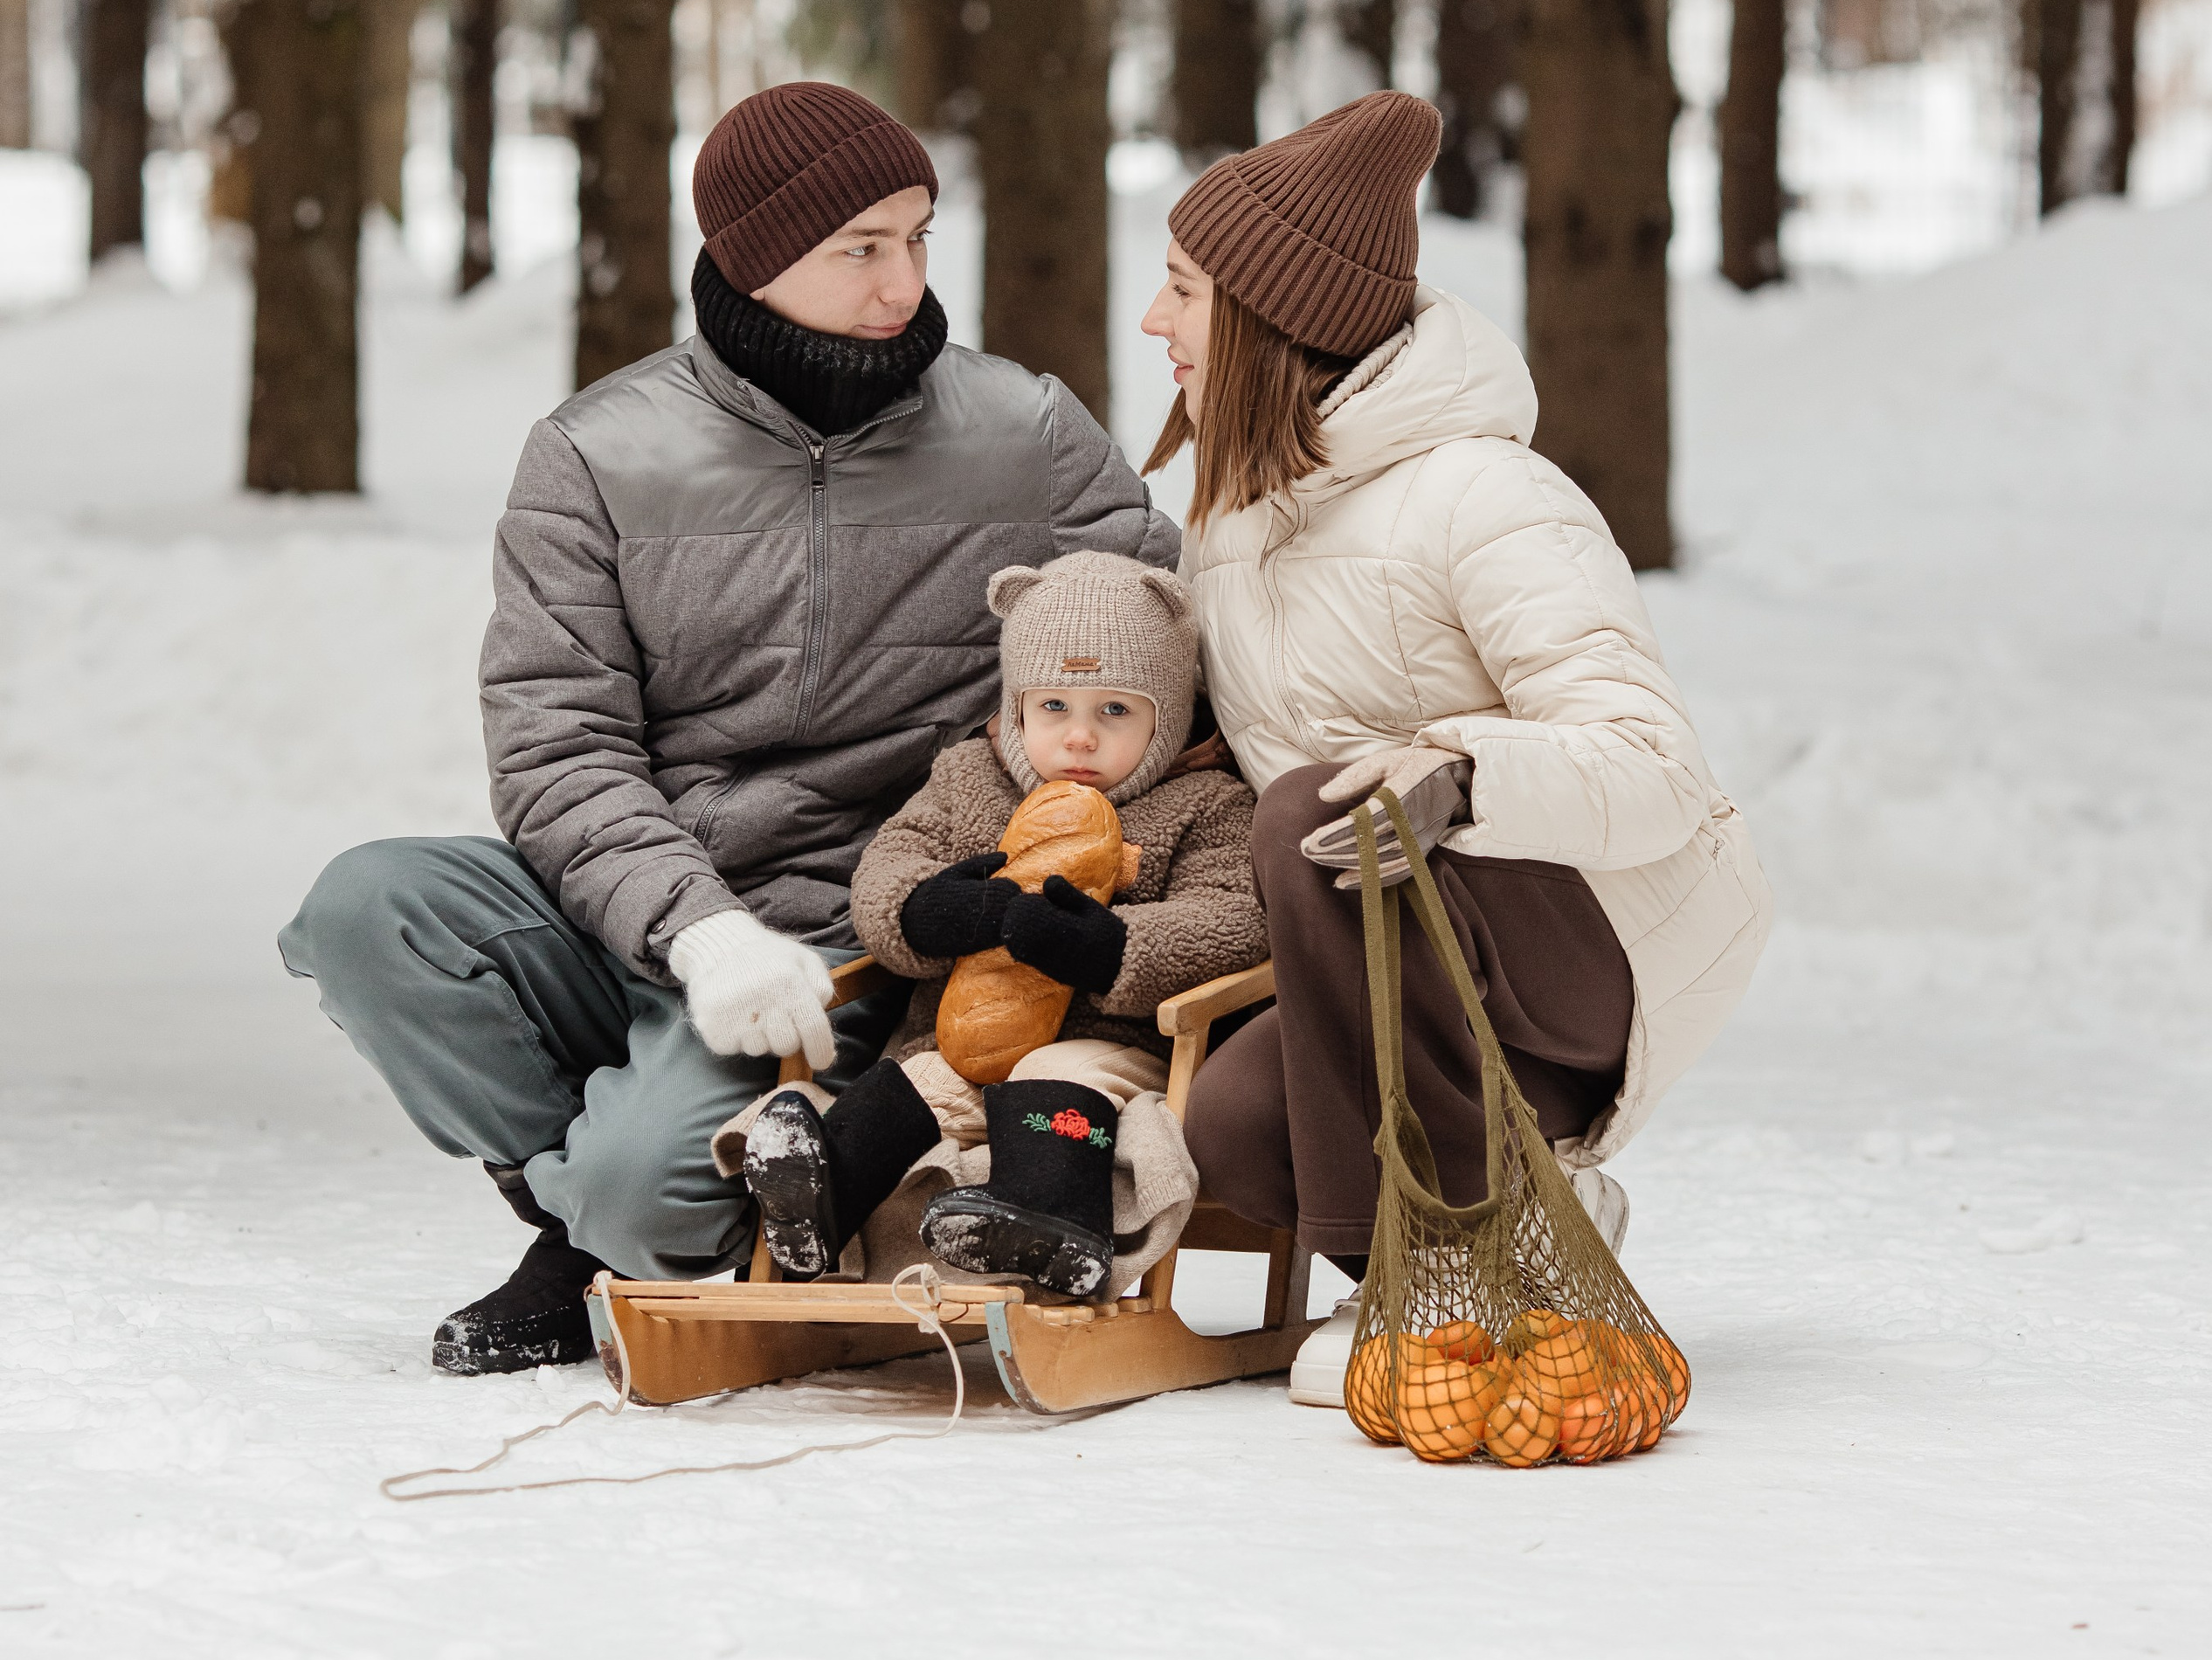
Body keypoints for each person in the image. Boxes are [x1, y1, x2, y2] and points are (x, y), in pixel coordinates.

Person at [281, 82, 1179, 1373]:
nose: (902, 282)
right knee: (368, 905)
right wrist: (697, 930)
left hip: (854, 937)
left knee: (653, 1192)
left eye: (919, 237)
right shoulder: (598, 453)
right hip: (646, 905)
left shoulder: (1021, 436)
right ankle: (582, 1209)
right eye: (860, 248)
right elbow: (556, 741)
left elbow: (1160, 629)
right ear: (754, 260)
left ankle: (609, 1217)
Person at [1138, 88, 1773, 1407]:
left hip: (1594, 936)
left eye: (1183, 292)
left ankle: (1415, 1283)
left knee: (1325, 809)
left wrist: (1461, 771)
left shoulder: (1485, 494)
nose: (1154, 322)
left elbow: (1652, 763)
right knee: (1227, 1138)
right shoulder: (1236, 518)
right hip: (1401, 949)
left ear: (1271, 316)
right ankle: (1542, 1203)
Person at [721, 553, 1265, 1304]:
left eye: (1115, 711)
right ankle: (822, 1206)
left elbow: (1234, 919)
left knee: (1061, 1075)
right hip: (967, 1037)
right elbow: (888, 867)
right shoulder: (968, 779)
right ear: (1015, 708)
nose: (1079, 739)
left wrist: (1112, 948)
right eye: (1054, 709)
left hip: (1119, 1045)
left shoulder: (1206, 804)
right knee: (919, 1081)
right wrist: (923, 910)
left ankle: (1053, 1223)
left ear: (1166, 715)